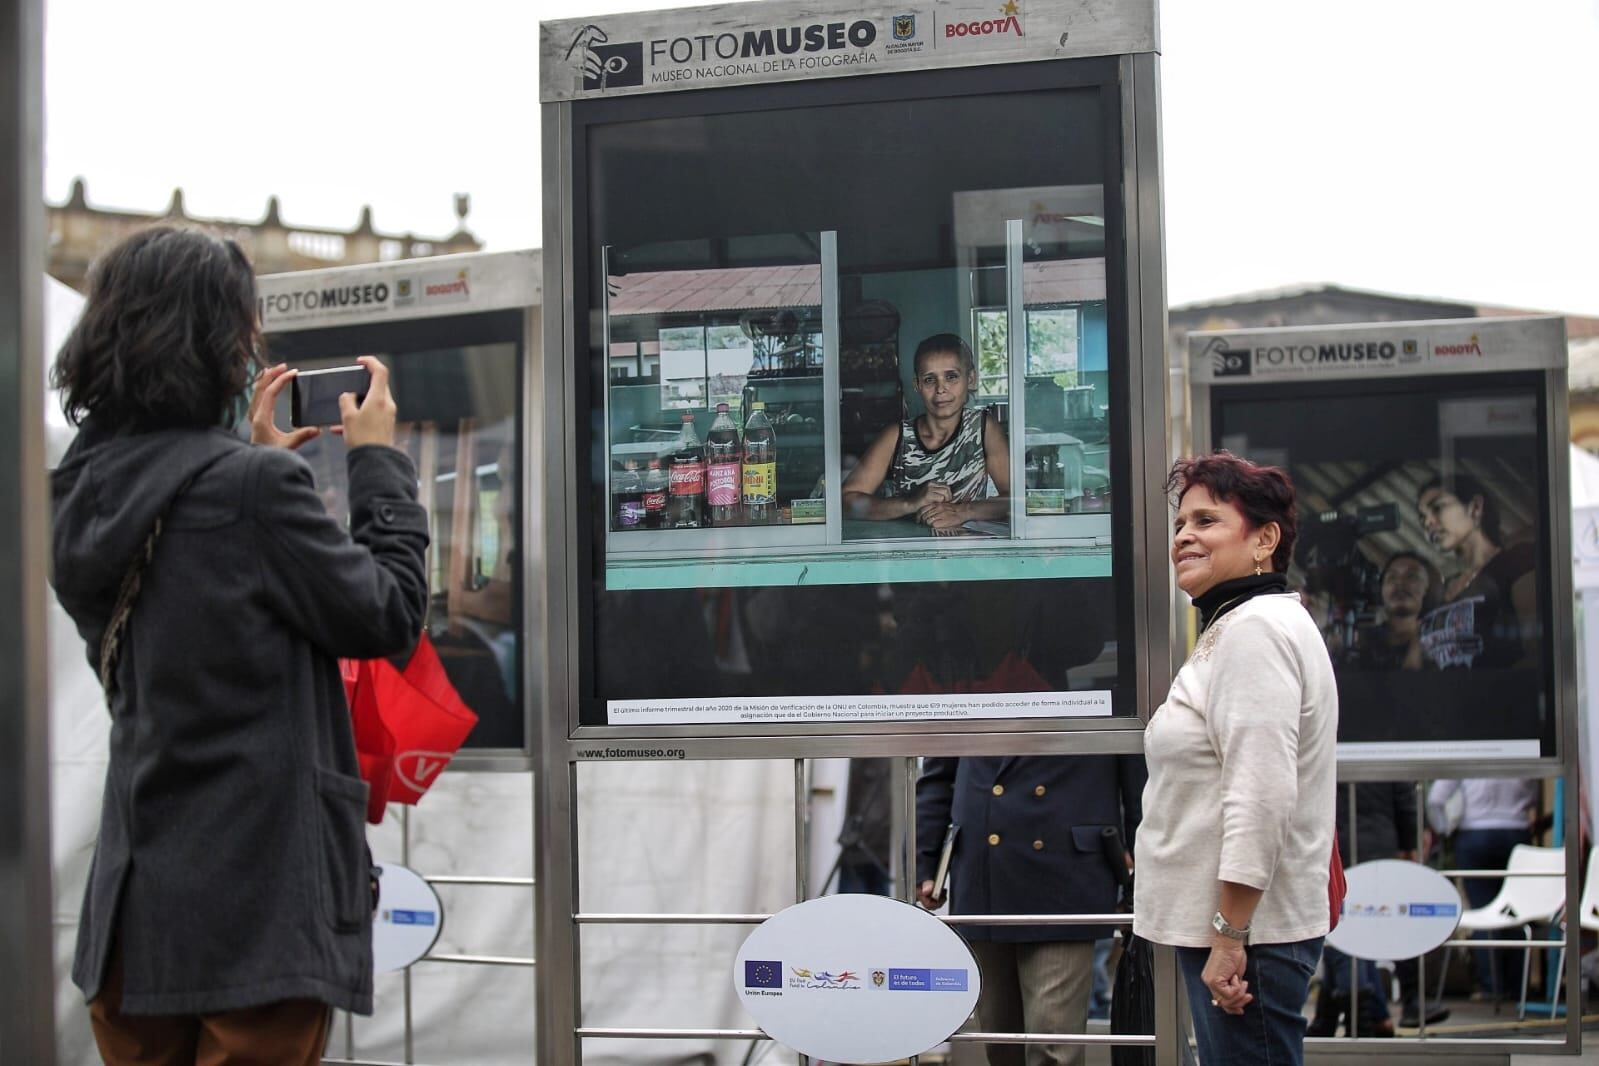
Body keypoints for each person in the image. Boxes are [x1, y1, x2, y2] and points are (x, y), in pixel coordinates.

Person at [49, 226, 430, 1065]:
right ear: (218, 343)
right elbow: (390, 612)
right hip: (258, 909)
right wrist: (376, 463)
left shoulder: (73, 492)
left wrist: (243, 464)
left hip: (133, 913)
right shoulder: (251, 491)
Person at [1135, 451, 1337, 1066]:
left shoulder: (1255, 630)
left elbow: (1261, 793)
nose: (1183, 536)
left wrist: (1229, 934)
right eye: (1180, 524)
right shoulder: (1241, 624)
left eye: (1207, 521)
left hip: (1250, 938)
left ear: (1264, 541)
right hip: (1243, 932)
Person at [916, 754, 1144, 1066]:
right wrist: (926, 862)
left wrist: (1141, 880)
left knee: (1052, 1046)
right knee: (1000, 1043)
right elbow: (939, 776)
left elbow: (1138, 785)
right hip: (983, 875)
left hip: (1065, 877)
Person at [842, 333, 1009, 533]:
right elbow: (846, 501)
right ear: (917, 385)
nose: (941, 389)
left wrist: (963, 511)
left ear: (970, 379)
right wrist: (910, 503)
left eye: (951, 377)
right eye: (930, 379)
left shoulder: (983, 428)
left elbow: (1016, 499)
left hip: (967, 549)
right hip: (908, 547)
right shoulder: (897, 436)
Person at [1427, 778, 1539, 1000]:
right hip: (1516, 829)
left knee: (1482, 912)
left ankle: (1491, 986)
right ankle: (1518, 987)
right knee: (1516, 911)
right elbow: (1533, 793)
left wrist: (1445, 829)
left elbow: (1436, 798)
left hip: (1474, 833)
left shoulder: (1469, 754)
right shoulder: (1524, 754)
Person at [1414, 473, 1537, 670]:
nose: (1427, 523)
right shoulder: (1441, 589)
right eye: (1422, 518)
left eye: (1437, 508)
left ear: (1475, 508)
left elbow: (1537, 655)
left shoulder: (1517, 560)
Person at [1346, 551, 1442, 672]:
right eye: (1392, 577)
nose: (1400, 583)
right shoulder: (1361, 640)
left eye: (1412, 576)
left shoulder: (1439, 641)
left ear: (1428, 588)